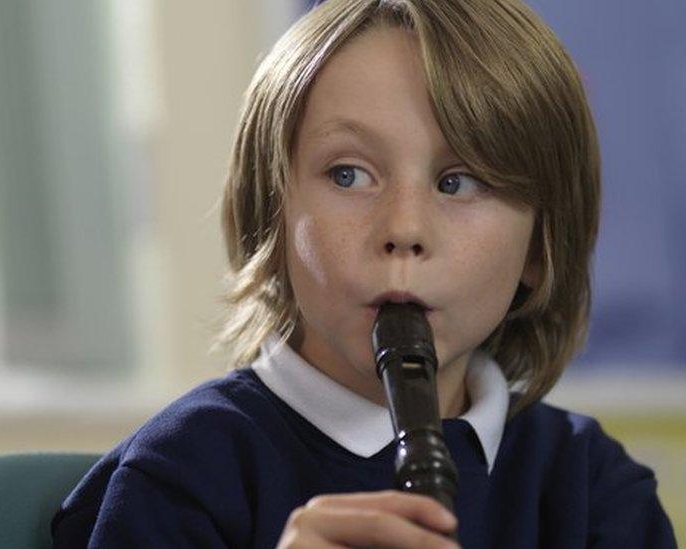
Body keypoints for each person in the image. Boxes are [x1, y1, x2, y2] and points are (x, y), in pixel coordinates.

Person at [51, 0, 677, 547]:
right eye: (348, 174)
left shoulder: (595, 488)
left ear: (540, 248)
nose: (403, 228)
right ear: (273, 214)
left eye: (458, 182)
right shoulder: (182, 474)